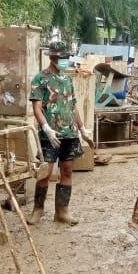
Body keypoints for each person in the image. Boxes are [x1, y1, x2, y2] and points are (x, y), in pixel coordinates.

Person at [27, 40, 91, 226]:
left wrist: (82, 128)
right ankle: (38, 209)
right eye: (62, 57)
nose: (65, 60)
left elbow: (73, 106)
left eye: (67, 57)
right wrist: (46, 127)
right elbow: (37, 107)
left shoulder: (67, 79)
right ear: (53, 57)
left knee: (67, 170)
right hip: (50, 135)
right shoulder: (40, 79)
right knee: (45, 172)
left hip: (69, 134)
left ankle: (62, 212)